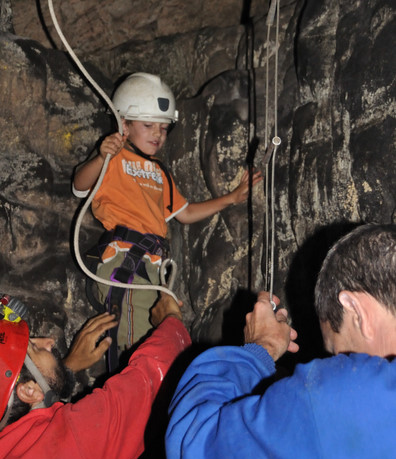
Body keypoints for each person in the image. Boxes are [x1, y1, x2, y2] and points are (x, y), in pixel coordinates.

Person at [165, 222, 396, 459]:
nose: (339, 364)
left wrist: (260, 348)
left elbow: (192, 444)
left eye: (338, 352)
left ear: (357, 311)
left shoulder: (350, 397)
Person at [73, 71, 261, 365]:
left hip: (154, 265)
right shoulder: (114, 158)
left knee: (158, 338)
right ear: (124, 123)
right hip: (125, 260)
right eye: (148, 125)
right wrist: (101, 156)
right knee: (136, 342)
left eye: (163, 128)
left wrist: (232, 198)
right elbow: (80, 186)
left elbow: (184, 213)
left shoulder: (160, 171)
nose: (157, 134)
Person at [0, 290, 190, 459]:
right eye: (33, 347)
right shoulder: (78, 439)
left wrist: (63, 370)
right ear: (29, 391)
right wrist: (170, 317)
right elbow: (156, 374)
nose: (48, 342)